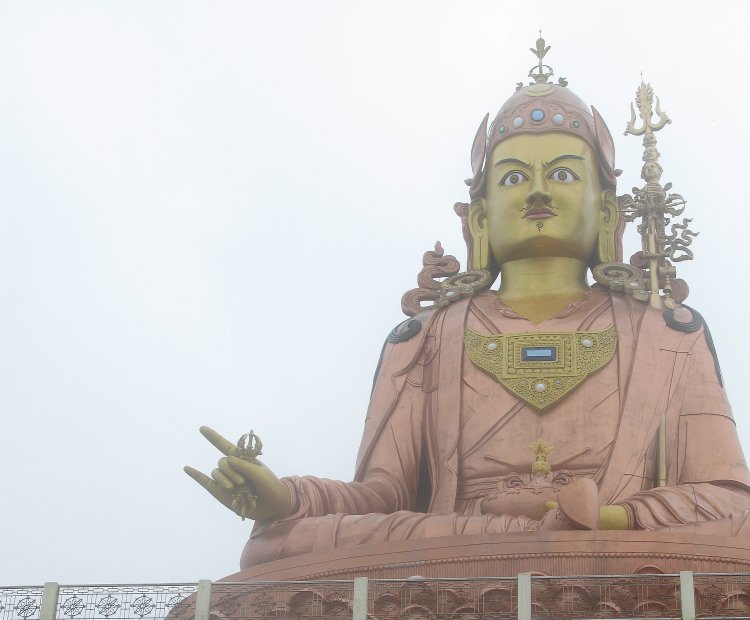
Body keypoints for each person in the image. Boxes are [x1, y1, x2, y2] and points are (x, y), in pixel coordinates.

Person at [185, 42, 750, 572]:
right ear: (479, 217)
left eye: (561, 174)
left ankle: (572, 533)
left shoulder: (667, 331)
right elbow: (381, 496)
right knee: (275, 542)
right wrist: (289, 500)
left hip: (608, 541)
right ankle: (541, 537)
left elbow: (726, 496)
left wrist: (611, 518)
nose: (537, 192)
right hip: (459, 542)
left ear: (607, 214)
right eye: (513, 177)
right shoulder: (424, 336)